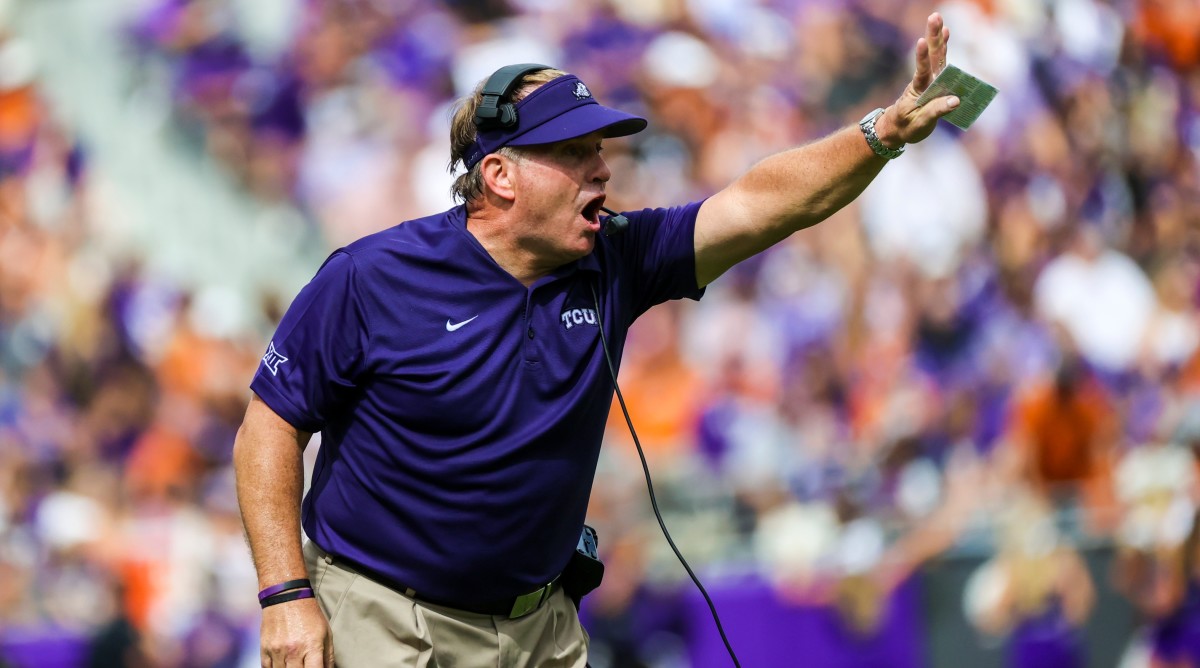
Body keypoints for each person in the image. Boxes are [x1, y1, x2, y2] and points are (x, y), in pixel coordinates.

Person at [233, 12, 961, 667]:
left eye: (600, 149)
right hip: (388, 622)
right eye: (574, 152)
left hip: (540, 629)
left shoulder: (615, 255)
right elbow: (270, 424)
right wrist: (284, 594)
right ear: (499, 175)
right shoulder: (372, 277)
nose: (603, 169)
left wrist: (880, 136)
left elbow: (758, 205)